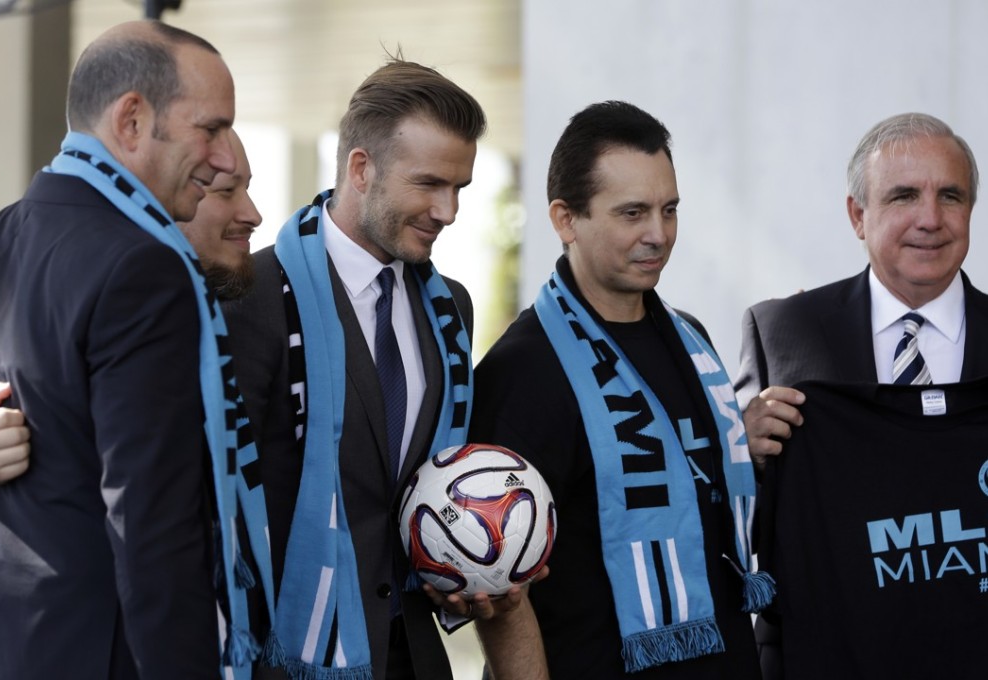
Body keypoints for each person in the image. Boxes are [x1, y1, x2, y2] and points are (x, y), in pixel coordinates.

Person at [0, 21, 275, 680]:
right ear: (132, 120)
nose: (224, 156)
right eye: (211, 128)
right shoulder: (144, 268)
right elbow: (151, 531)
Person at [222, 58, 545, 680]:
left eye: (460, 188)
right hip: (286, 657)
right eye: (428, 183)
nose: (447, 210)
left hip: (413, 657)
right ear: (361, 169)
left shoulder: (451, 305)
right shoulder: (248, 296)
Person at [469, 100, 772, 679]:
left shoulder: (691, 341)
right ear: (565, 219)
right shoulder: (523, 371)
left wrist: (739, 443)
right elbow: (501, 589)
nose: (658, 234)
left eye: (670, 210)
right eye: (632, 213)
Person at [734, 112, 988, 678]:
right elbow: (735, 523)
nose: (930, 219)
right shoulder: (781, 331)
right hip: (826, 657)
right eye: (903, 196)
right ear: (858, 214)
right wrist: (739, 449)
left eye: (951, 196)